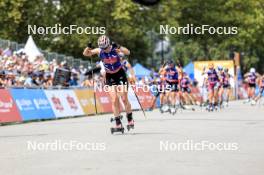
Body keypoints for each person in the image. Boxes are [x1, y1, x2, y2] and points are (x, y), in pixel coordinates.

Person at [83, 35, 134, 131]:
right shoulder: (99, 50)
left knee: (124, 98)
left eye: (106, 48)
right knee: (114, 99)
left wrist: (119, 47)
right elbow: (86, 54)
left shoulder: (115, 49)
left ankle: (130, 119)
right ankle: (118, 123)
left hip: (120, 74)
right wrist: (88, 47)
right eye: (103, 48)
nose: (104, 50)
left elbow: (128, 52)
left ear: (108, 44)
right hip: (110, 76)